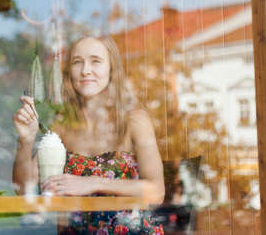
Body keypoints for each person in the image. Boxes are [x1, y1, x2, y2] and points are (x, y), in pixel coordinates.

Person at [13, 35, 165, 234]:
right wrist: (26, 140)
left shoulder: (135, 121)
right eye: (77, 62)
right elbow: (24, 190)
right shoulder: (63, 124)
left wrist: (92, 183)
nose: (85, 70)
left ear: (112, 68)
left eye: (96, 61)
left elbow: (156, 192)